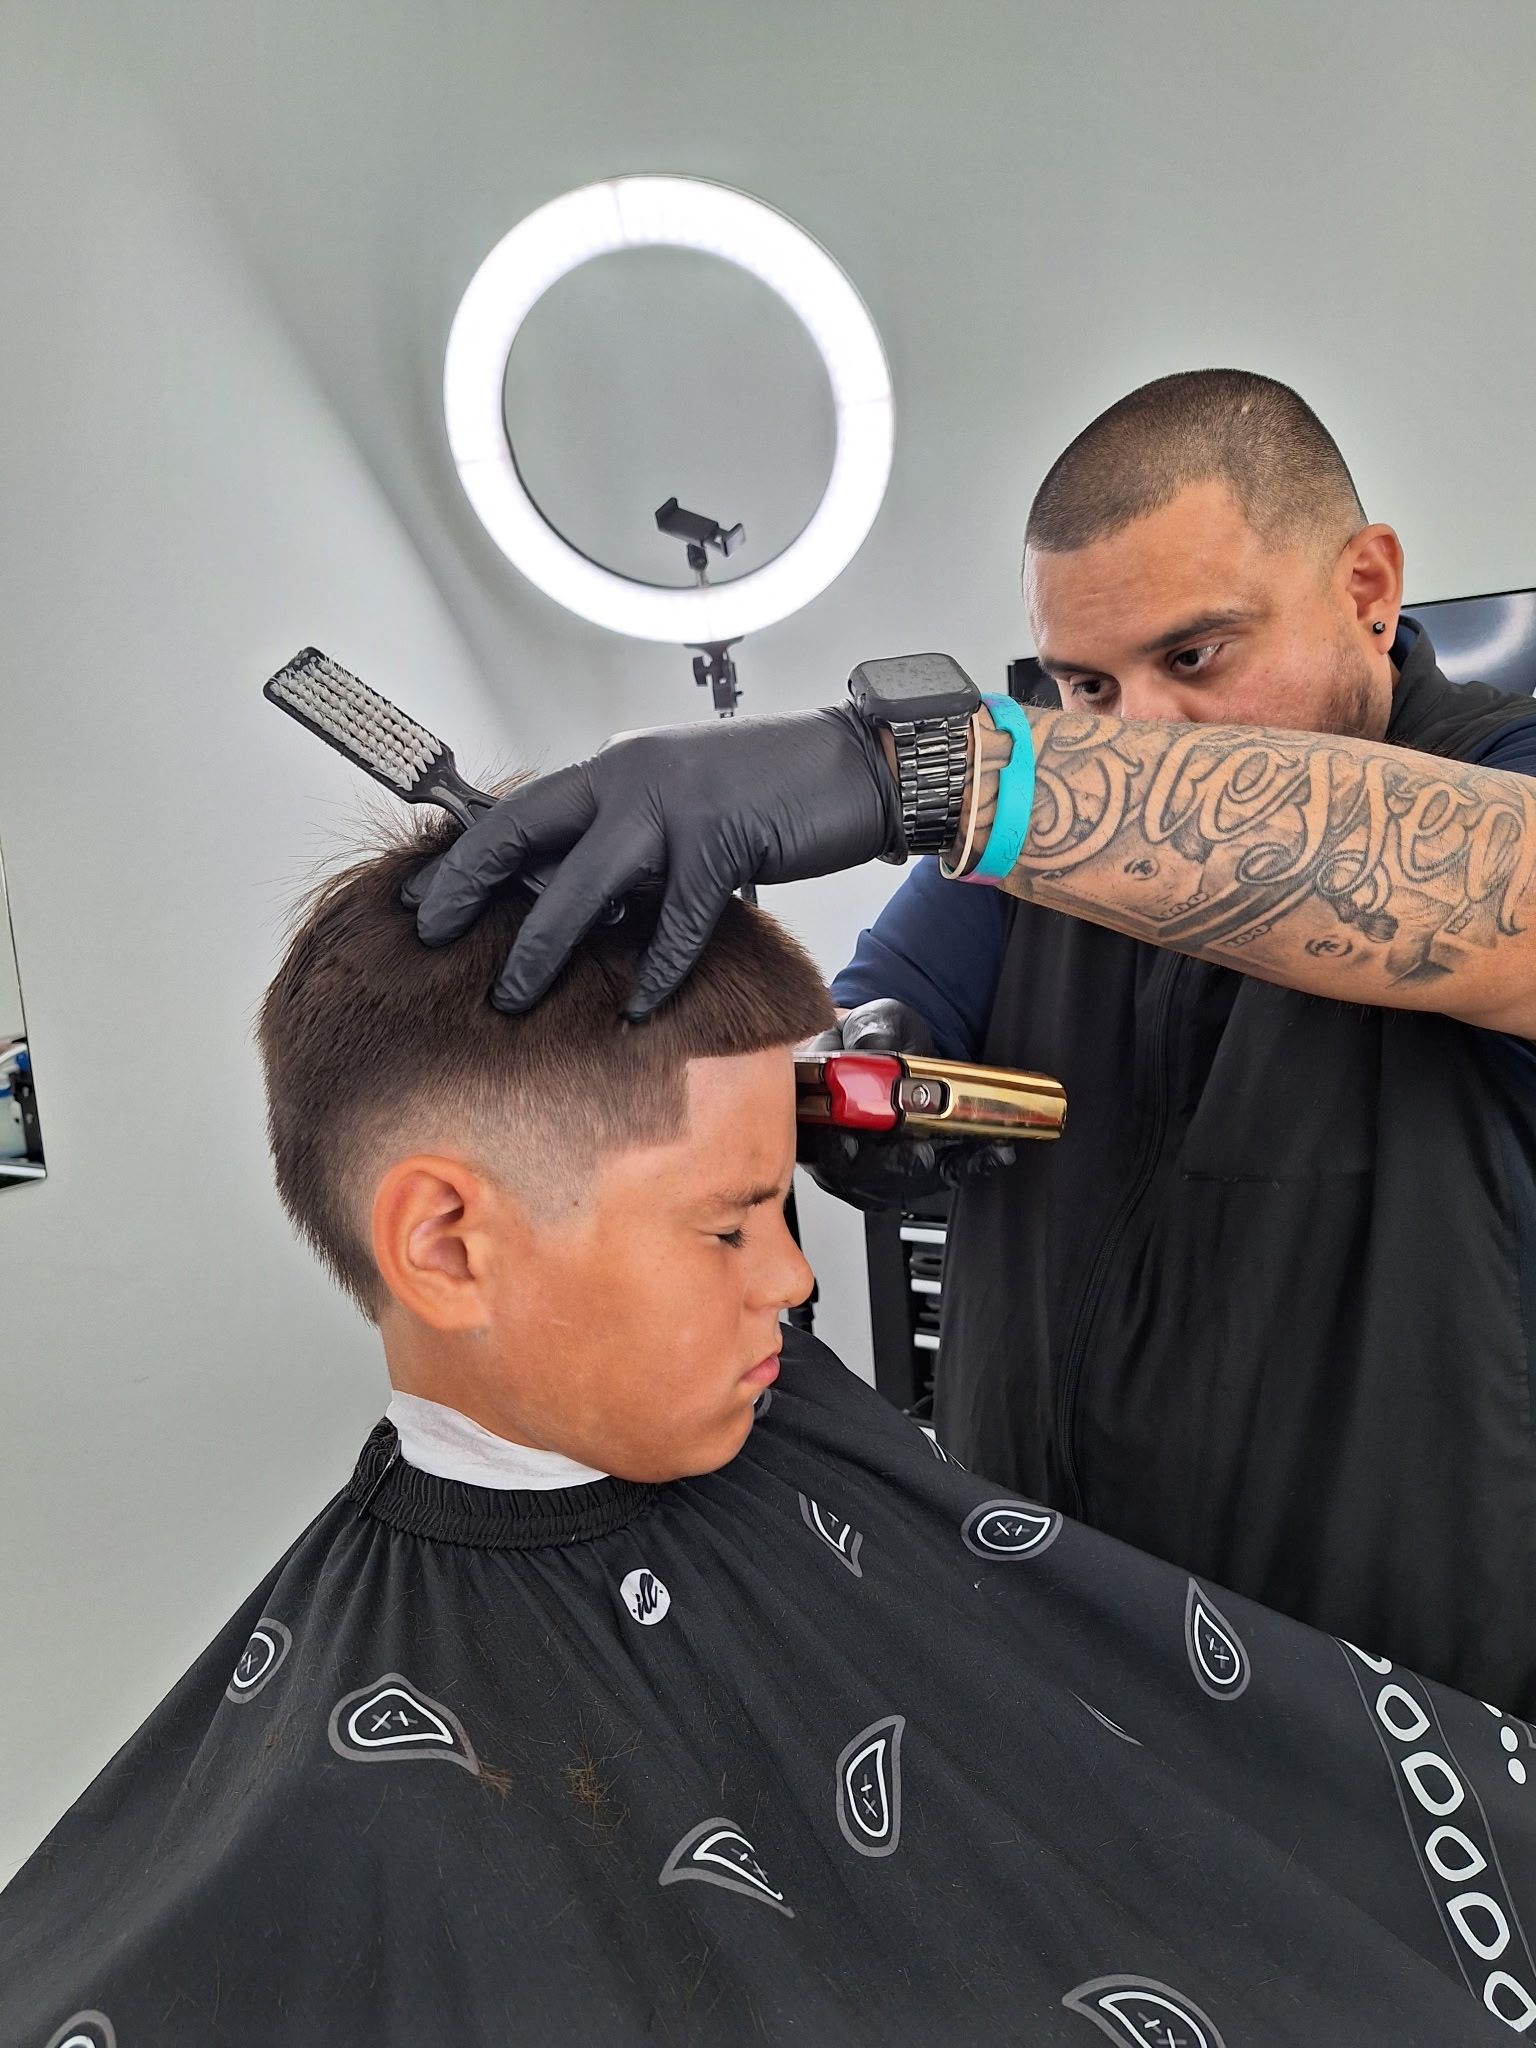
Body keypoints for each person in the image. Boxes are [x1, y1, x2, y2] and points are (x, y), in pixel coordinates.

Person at [6, 803, 1536, 2045]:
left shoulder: (785, 1411)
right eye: (732, 1224)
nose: (796, 1280)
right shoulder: (356, 1820)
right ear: (450, 1245)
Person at [400, 370, 1536, 1717]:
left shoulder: (1501, 786)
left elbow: (1489, 887)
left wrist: (917, 770)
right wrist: (854, 1083)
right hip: (1052, 1638)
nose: (1134, 732)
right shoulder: (1034, 866)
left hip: (1392, 1726)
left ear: (1367, 588)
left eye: (1194, 659)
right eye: (1084, 685)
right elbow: (883, 1001)